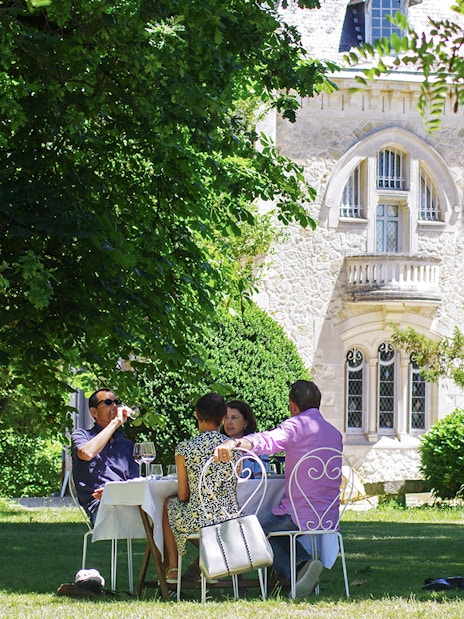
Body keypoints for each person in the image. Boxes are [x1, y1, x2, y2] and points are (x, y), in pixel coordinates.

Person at [214, 380, 343, 597]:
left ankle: (299, 568)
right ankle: (300, 568)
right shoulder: (334, 433)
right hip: (328, 517)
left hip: (299, 514)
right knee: (267, 530)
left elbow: (267, 440)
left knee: (249, 529)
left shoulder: (297, 426)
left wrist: (236, 443)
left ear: (293, 406)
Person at [162, 392, 239, 584]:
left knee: (167, 505)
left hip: (200, 519)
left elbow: (183, 494)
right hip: (229, 519)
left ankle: (173, 568)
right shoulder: (233, 449)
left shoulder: (185, 448)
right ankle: (215, 557)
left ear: (196, 414)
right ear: (223, 418)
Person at [71, 388, 139, 524]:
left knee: (167, 511)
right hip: (101, 509)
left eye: (117, 402)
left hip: (127, 503)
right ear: (93, 412)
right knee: (160, 518)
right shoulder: (82, 436)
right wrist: (115, 423)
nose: (114, 406)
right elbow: (87, 453)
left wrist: (116, 493)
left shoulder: (126, 444)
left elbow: (135, 482)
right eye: (108, 402)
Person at [224, 400, 271, 477]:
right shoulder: (219, 445)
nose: (229, 422)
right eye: (226, 417)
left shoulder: (257, 448)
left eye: (234, 418)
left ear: (245, 423)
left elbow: (261, 481)